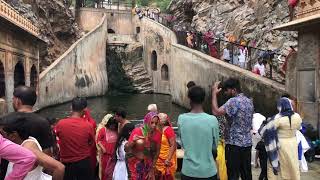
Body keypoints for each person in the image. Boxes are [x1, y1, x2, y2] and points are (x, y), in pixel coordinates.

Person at [211, 78, 254, 180]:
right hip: (247, 143)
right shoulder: (249, 101)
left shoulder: (233, 101)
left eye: (227, 90)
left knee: (233, 175)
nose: (225, 93)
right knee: (246, 174)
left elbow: (216, 112)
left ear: (234, 90)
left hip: (234, 145)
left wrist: (213, 93)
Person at [178, 86, 219, 180]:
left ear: (190, 100)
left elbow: (183, 143)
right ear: (204, 100)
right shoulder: (212, 120)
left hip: (188, 170)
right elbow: (215, 145)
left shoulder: (181, 119)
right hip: (208, 170)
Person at [260, 98, 302, 180]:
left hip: (281, 145)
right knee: (292, 165)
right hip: (293, 143)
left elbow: (264, 131)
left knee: (278, 167)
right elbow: (299, 127)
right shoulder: (297, 116)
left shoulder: (277, 118)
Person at [55, 97, 95, 180]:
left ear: (71, 107)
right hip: (84, 163)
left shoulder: (60, 124)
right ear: (85, 110)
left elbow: (57, 139)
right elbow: (91, 143)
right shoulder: (88, 126)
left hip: (67, 164)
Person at [125, 112, 161, 180]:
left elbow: (157, 152)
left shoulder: (158, 134)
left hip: (148, 164)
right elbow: (127, 149)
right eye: (152, 122)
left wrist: (152, 169)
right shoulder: (137, 131)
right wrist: (133, 141)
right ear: (147, 121)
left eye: (156, 123)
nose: (154, 125)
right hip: (134, 163)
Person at [96, 114, 118, 180]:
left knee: (114, 171)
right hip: (106, 155)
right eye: (111, 125)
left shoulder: (117, 130)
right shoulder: (103, 130)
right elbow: (98, 140)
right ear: (109, 124)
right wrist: (103, 148)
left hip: (114, 154)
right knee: (105, 171)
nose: (113, 127)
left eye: (114, 126)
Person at [155, 113, 177, 179]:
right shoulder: (156, 129)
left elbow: (173, 145)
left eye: (160, 118)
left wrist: (168, 159)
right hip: (157, 159)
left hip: (166, 160)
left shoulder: (168, 130)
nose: (158, 120)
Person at [82, 107, 97, 174]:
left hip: (83, 145)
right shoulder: (92, 122)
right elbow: (94, 133)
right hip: (91, 145)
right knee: (92, 159)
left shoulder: (81, 122)